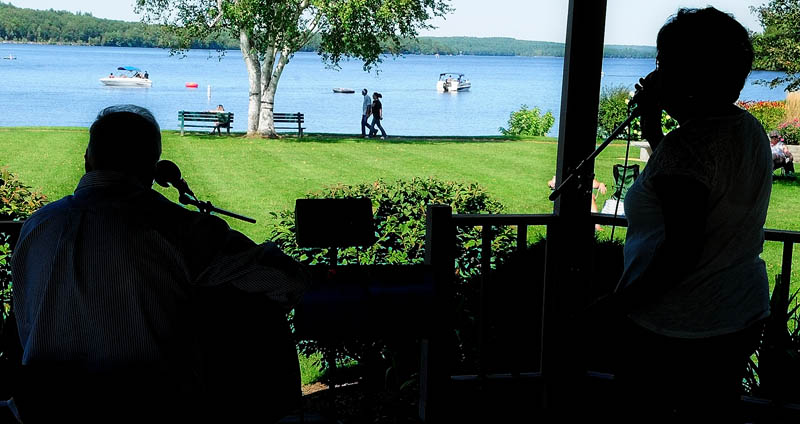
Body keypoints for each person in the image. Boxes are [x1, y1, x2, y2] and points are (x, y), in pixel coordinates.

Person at [10, 104, 310, 422]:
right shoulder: (180, 228)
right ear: (154, 169)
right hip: (153, 410)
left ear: (87, 160)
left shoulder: (37, 226)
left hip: (45, 410)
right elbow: (288, 280)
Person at [606, 8, 772, 422]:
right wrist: (652, 122)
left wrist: (614, 307)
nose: (657, 71)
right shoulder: (748, 128)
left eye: (663, 60)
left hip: (679, 325)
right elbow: (688, 168)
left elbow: (680, 250)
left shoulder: (689, 146)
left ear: (689, 69)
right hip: (738, 312)